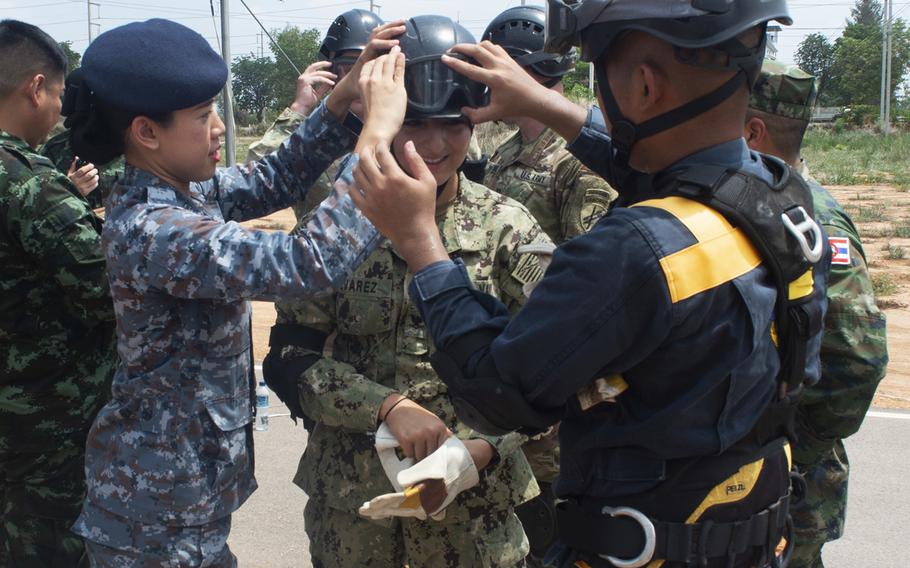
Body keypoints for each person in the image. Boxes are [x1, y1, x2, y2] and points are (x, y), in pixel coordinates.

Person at [346, 1, 832, 566]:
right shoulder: (777, 196)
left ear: (644, 86)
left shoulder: (632, 254)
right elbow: (671, 175)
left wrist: (420, 243)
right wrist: (547, 105)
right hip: (745, 533)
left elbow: (496, 393)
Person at [63, 17, 403, 566]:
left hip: (181, 501)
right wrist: (377, 138)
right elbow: (308, 262)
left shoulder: (183, 190)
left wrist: (342, 101)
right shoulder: (154, 228)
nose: (219, 127)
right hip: (153, 516)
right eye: (203, 116)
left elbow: (275, 178)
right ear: (147, 133)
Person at [265, 15, 545, 568]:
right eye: (415, 123)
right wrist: (386, 407)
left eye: (455, 124)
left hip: (475, 521)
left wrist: (475, 451)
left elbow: (553, 373)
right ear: (383, 117)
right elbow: (289, 360)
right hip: (354, 516)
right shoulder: (336, 224)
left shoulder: (511, 229)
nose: (436, 144)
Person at [744, 60, 888, 568]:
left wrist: (797, 447)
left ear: (752, 132)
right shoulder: (758, 206)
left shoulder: (813, 218)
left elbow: (859, 357)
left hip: (792, 485)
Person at [0, 20, 116, 567]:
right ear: (36, 88)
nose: (61, 112)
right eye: (60, 97)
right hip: (44, 436)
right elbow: (110, 291)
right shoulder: (30, 184)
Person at [482, 5, 616, 245]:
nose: (489, 81)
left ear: (531, 72)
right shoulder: (506, 150)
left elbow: (581, 267)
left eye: (497, 71)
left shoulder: (579, 163)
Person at [246, 8, 384, 222]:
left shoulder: (407, 132)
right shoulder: (315, 136)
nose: (361, 81)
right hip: (317, 251)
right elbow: (255, 183)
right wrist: (299, 108)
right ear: (332, 72)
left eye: (370, 68)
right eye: (351, 70)